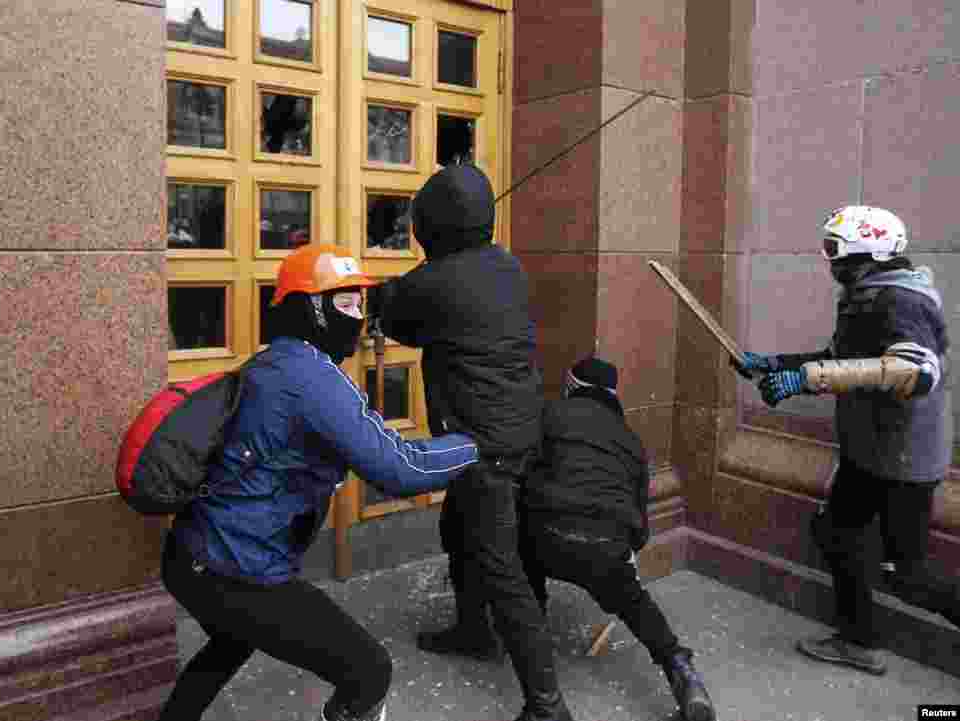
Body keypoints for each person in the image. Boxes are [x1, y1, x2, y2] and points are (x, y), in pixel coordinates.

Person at [158, 244, 481, 721]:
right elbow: (401, 468)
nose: (357, 317)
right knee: (368, 672)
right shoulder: (311, 377)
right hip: (237, 570)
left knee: (233, 641)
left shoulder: (275, 361)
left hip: (192, 556)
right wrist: (475, 446)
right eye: (345, 304)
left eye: (360, 304)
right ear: (311, 309)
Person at [375, 164, 571, 721]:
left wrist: (391, 290)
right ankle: (470, 629)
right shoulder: (506, 267)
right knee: (457, 530)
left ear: (431, 223)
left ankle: (547, 704)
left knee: (500, 567)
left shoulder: (432, 283)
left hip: (484, 445)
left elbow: (400, 321)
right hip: (514, 430)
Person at [736, 205, 959, 675]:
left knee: (908, 576)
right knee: (836, 533)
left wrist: (808, 379)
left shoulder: (901, 301)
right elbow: (839, 357)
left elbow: (917, 372)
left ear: (868, 253)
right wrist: (778, 364)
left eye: (834, 250)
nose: (828, 259)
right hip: (869, 451)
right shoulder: (865, 294)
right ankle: (858, 641)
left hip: (903, 460)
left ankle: (862, 637)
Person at [517, 357, 716, 721]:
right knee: (633, 601)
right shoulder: (631, 443)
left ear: (571, 387)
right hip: (606, 546)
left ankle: (535, 643)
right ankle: (682, 671)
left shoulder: (548, 414)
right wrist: (623, 554)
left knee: (521, 552)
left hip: (545, 533)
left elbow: (520, 473)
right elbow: (639, 522)